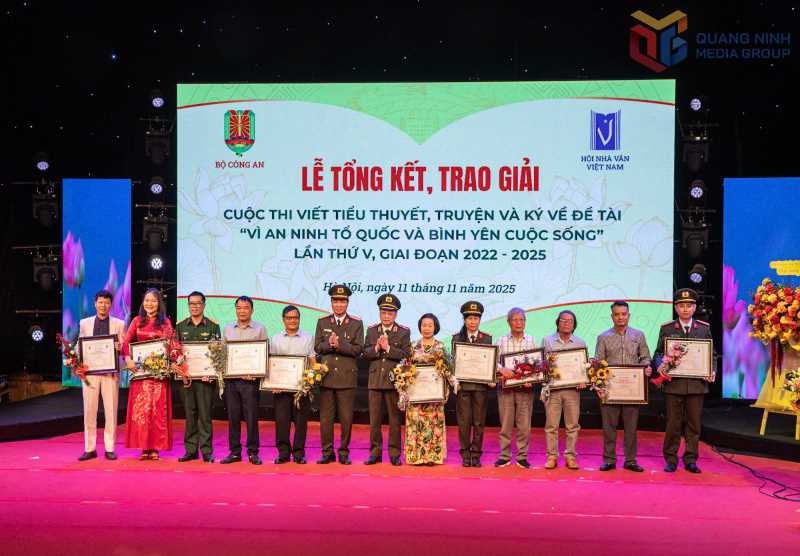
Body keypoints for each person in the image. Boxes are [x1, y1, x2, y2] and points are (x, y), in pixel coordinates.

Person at [653, 288, 716, 474]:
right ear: (676, 308)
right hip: (674, 384)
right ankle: (670, 459)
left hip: (696, 385)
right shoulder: (667, 328)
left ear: (695, 307)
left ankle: (690, 459)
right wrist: (660, 365)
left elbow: (712, 354)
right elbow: (658, 353)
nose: (686, 309)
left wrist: (711, 370)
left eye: (689, 305)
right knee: (673, 424)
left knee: (694, 424)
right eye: (682, 306)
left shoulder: (703, 328)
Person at [594, 301, 652, 472]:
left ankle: (630, 460)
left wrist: (647, 367)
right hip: (610, 389)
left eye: (623, 314)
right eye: (617, 314)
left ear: (629, 315)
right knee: (609, 427)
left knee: (631, 428)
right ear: (612, 316)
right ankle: (609, 460)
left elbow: (645, 357)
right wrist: (599, 384)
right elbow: (598, 362)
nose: (620, 317)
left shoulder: (639, 335)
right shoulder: (603, 337)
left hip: (633, 391)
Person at [123, 288, 175, 460]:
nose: (149, 304)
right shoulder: (137, 321)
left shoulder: (165, 322)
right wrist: (128, 359)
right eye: (147, 300)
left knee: (157, 412)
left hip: (158, 375)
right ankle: (144, 447)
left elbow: (172, 344)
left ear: (159, 304)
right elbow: (126, 343)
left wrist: (172, 358)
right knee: (142, 411)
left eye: (153, 301)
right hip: (141, 374)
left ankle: (155, 448)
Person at [314, 284, 364, 465]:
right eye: (336, 301)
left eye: (342, 301)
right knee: (325, 419)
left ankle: (343, 452)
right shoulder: (323, 322)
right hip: (327, 378)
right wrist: (329, 345)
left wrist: (340, 345)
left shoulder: (356, 323)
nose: (339, 305)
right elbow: (317, 347)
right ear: (331, 302)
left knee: (346, 418)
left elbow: (359, 349)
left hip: (346, 378)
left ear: (347, 303)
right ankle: (327, 452)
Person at [77, 289, 126, 461]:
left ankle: (109, 448)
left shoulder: (119, 324)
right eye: (100, 302)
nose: (103, 305)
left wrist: (120, 348)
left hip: (110, 374)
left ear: (111, 305)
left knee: (111, 411)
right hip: (90, 374)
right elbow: (79, 345)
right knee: (89, 411)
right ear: (95, 303)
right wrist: (75, 360)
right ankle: (89, 448)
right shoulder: (85, 323)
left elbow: (124, 347)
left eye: (106, 302)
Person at [363, 294, 412, 466]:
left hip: (394, 382)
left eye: (390, 313)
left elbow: (406, 354)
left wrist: (388, 348)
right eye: (383, 312)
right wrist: (377, 347)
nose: (386, 316)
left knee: (394, 420)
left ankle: (394, 454)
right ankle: (375, 453)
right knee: (374, 420)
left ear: (395, 314)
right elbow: (365, 353)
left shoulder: (403, 332)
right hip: (375, 381)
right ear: (379, 312)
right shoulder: (371, 330)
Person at [220, 296, 267, 465]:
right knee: (233, 417)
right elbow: (222, 354)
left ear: (252, 310)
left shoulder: (260, 329)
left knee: (251, 417)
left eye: (246, 308)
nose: (242, 311)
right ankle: (235, 452)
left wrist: (255, 373)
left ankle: (253, 452)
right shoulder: (227, 329)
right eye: (239, 308)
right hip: (232, 381)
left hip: (250, 381)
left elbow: (263, 354)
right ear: (235, 310)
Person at [175, 291, 220, 463]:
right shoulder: (180, 326)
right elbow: (175, 352)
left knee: (205, 415)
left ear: (204, 305)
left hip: (205, 379)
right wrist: (179, 369)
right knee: (190, 414)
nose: (194, 306)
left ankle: (207, 451)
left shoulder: (213, 326)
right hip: (186, 379)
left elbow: (217, 354)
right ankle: (191, 450)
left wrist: (212, 373)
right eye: (191, 303)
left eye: (198, 303)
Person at [540, 310, 586, 470]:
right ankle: (551, 457)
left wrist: (583, 380)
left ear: (574, 324)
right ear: (557, 322)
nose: (566, 323)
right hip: (553, 389)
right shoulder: (547, 341)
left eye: (570, 321)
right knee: (551, 426)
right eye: (563, 320)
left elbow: (583, 367)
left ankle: (570, 457)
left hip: (572, 390)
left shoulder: (580, 343)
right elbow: (542, 365)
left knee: (572, 425)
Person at [270, 305, 316, 465]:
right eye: (289, 318)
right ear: (283, 320)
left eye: (295, 318)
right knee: (281, 422)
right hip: (281, 388)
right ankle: (283, 453)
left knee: (301, 423)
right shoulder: (275, 338)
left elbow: (313, 361)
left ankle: (298, 454)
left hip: (301, 388)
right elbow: (271, 363)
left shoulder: (308, 337)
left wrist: (311, 380)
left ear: (299, 319)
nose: (292, 321)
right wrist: (273, 383)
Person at [451, 301, 493, 468]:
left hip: (481, 387)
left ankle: (476, 454)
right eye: (470, 318)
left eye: (476, 318)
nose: (473, 322)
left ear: (480, 320)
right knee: (464, 422)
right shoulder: (457, 338)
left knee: (479, 422)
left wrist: (491, 377)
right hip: (464, 387)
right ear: (464, 320)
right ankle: (465, 453)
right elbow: (453, 363)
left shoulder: (487, 338)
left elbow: (490, 362)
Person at [405, 313, 450, 466]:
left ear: (435, 327)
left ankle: (432, 456)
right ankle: (416, 456)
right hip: (416, 394)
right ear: (420, 327)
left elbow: (447, 370)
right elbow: (406, 368)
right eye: (424, 325)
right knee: (415, 422)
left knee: (433, 423)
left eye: (430, 325)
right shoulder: (413, 346)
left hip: (434, 394)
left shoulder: (441, 347)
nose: (427, 328)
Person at [494, 308, 536, 468]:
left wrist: (531, 378)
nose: (518, 323)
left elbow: (536, 364)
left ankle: (522, 456)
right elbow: (493, 361)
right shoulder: (501, 340)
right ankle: (504, 456)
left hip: (525, 389)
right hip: (506, 388)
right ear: (508, 322)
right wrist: (501, 369)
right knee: (505, 423)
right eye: (515, 320)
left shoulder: (531, 340)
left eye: (521, 320)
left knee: (524, 425)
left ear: (525, 322)